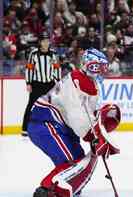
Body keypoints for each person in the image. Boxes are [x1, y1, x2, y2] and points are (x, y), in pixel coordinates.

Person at [27, 48, 121, 197]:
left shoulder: (89, 83)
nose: (102, 71)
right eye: (99, 67)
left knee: (78, 158)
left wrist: (98, 130)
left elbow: (87, 114)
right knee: (72, 162)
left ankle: (66, 189)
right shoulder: (79, 79)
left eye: (103, 67)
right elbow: (76, 114)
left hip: (59, 127)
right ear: (90, 65)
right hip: (46, 123)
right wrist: (93, 136)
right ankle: (47, 190)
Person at [22, 32, 61, 137]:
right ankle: (24, 129)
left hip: (50, 84)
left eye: (47, 41)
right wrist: (28, 83)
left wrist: (58, 82)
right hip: (37, 84)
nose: (46, 43)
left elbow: (57, 68)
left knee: (52, 107)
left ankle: (53, 127)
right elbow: (29, 69)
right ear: (40, 42)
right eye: (44, 41)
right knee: (31, 106)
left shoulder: (54, 54)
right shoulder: (33, 53)